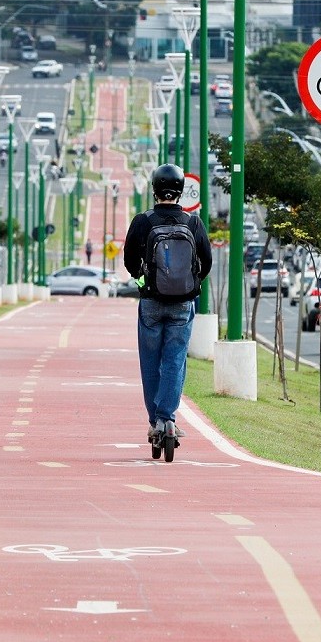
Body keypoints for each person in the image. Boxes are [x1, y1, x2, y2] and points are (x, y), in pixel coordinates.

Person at [123, 163, 212, 445]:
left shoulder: (143, 221)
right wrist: (189, 285)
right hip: (183, 304)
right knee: (175, 359)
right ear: (181, 191)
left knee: (150, 363)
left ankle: (155, 422)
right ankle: (168, 418)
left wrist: (142, 280)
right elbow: (206, 262)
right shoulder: (193, 223)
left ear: (154, 190)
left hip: (150, 301)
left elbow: (129, 261)